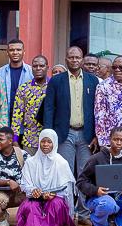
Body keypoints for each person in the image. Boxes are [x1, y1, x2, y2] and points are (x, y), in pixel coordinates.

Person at [42, 46, 99, 183]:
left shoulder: (93, 80)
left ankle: (83, 205)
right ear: (66, 59)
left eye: (78, 57)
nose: (74, 60)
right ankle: (66, 205)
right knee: (64, 173)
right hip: (64, 134)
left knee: (85, 174)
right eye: (71, 57)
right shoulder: (56, 81)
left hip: (86, 135)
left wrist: (97, 135)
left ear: (82, 60)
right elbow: (49, 108)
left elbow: (98, 110)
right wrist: (49, 135)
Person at [16, 129, 77, 226]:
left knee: (55, 205)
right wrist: (33, 190)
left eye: (49, 142)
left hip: (54, 198)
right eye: (43, 141)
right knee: (30, 206)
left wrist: (53, 194)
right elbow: (25, 184)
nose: (45, 144)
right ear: (39, 142)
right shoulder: (31, 162)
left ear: (54, 143)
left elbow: (66, 191)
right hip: (35, 197)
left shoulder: (61, 163)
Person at [0, 126, 29, 226]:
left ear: (10, 141)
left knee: (35, 197)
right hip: (3, 193)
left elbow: (32, 173)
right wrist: (9, 182)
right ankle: (2, 215)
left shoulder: (22, 154)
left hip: (21, 192)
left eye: (1, 139)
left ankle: (26, 215)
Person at [10, 55, 49, 154]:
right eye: (35, 66)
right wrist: (14, 140)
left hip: (49, 139)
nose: (38, 68)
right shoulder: (23, 88)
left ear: (47, 68)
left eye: (42, 66)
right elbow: (17, 116)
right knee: (29, 168)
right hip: (30, 139)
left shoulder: (54, 86)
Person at [0, 39, 34, 122]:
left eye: (18, 50)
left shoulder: (32, 73)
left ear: (24, 52)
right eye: (12, 50)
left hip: (25, 119)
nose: (15, 52)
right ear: (7, 52)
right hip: (4, 117)